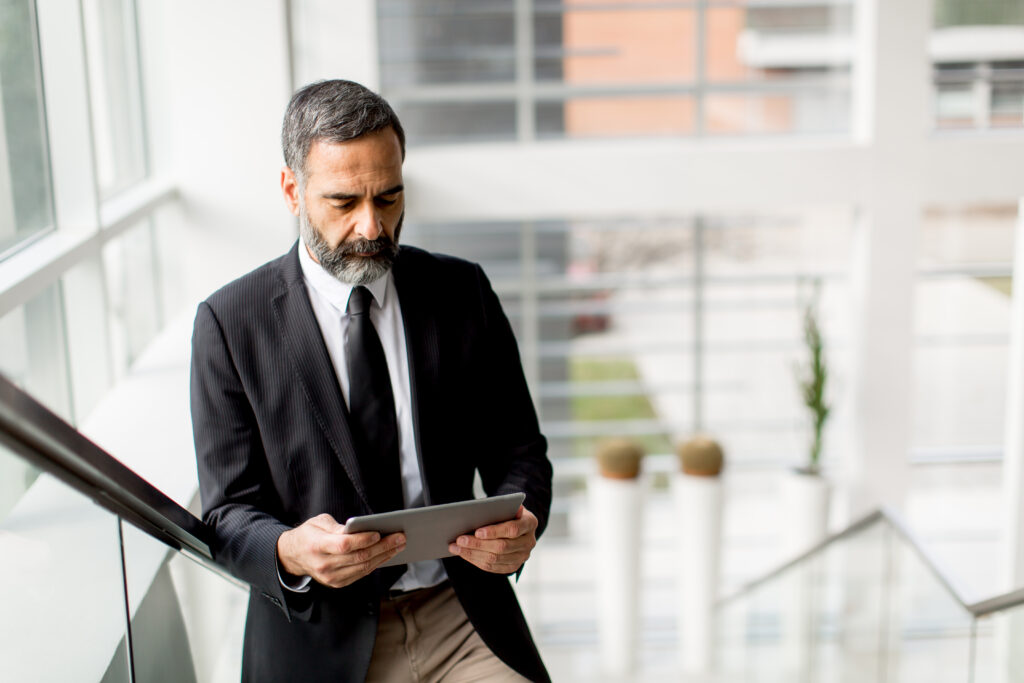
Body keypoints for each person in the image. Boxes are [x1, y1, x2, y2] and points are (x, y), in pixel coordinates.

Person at [189, 79, 553, 683]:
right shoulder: (229, 324)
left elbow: (521, 453)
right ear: (291, 190)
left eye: (388, 198)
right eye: (343, 202)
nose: (371, 227)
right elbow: (228, 514)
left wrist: (523, 523)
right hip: (320, 643)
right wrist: (288, 550)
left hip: (460, 617)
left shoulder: (462, 293)